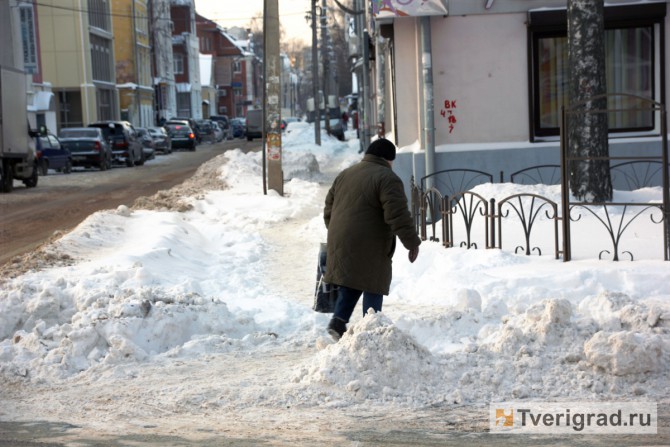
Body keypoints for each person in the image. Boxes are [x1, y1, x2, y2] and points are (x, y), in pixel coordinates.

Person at [323, 138, 421, 341]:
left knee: (352, 280)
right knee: (373, 282)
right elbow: (397, 214)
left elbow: (328, 208)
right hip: (370, 241)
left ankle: (338, 321)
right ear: (389, 159)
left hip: (339, 237)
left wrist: (338, 232)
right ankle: (371, 330)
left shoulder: (346, 174)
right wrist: (411, 242)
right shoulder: (387, 178)